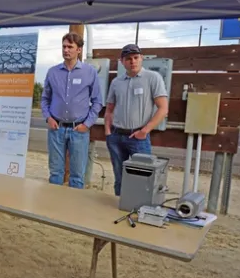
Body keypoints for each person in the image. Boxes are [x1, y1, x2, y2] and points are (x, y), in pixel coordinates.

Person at [104, 44, 169, 196]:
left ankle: (138, 208)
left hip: (138, 138)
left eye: (135, 58)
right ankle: (120, 205)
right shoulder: (116, 82)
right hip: (116, 136)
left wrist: (145, 131)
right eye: (128, 59)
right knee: (120, 176)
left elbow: (163, 109)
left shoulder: (153, 78)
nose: (132, 61)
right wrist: (108, 131)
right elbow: (109, 109)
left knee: (142, 176)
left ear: (141, 58)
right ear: (122, 61)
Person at [41, 32, 103, 189]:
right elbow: (45, 99)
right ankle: (52, 208)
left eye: (70, 47)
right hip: (56, 129)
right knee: (55, 173)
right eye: (64, 46)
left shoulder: (90, 72)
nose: (66, 50)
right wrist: (48, 118)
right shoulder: (52, 72)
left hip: (79, 130)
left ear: (79, 50)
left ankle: (73, 210)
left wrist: (87, 124)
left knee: (77, 175)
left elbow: (97, 101)